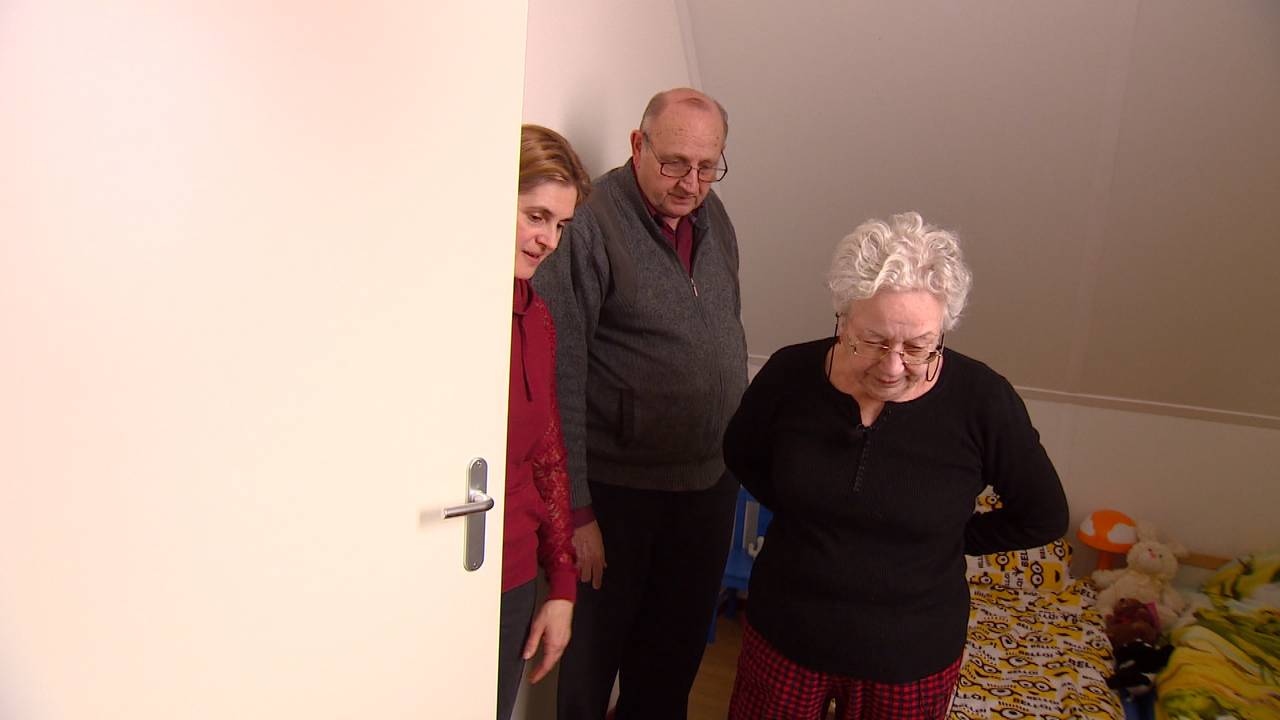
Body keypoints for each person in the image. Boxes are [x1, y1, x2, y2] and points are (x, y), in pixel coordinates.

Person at [723, 212, 1069, 720]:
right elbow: (742, 454)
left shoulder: (983, 401)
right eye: (875, 341)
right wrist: (806, 509)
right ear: (842, 319)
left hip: (910, 658)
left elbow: (1044, 514)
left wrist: (952, 536)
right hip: (786, 636)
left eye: (918, 347)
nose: (892, 366)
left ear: (942, 333)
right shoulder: (790, 374)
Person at [531, 88, 747, 719]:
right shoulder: (592, 223)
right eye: (676, 162)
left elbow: (722, 330)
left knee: (671, 665)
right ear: (637, 145)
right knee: (591, 669)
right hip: (618, 494)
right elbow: (560, 374)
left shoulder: (715, 216)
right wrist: (576, 514)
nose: (692, 183)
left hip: (706, 486)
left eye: (709, 167)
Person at [497, 124, 592, 720]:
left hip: (510, 577)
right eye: (536, 216)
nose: (549, 240)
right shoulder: (435, 308)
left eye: (560, 224)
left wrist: (560, 586)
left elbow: (548, 454)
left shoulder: (538, 319)